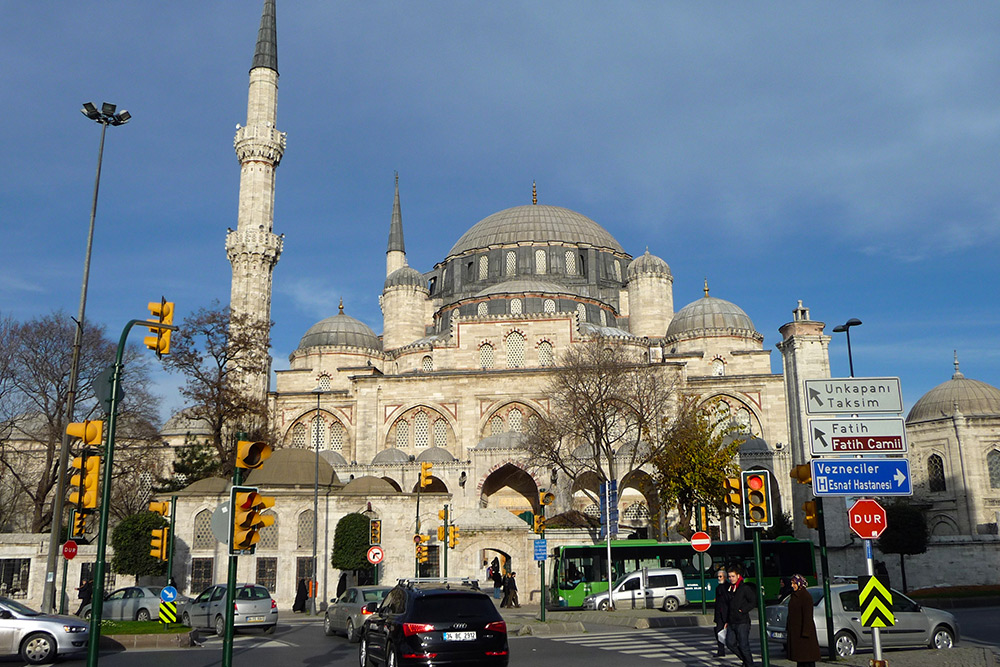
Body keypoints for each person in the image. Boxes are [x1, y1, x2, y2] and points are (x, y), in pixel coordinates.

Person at [786, 574, 821, 667]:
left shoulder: (806, 597)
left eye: (794, 583)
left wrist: (806, 632)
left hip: (804, 634)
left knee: (807, 658)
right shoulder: (794, 595)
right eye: (792, 583)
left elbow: (807, 616)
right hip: (797, 633)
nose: (792, 585)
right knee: (800, 659)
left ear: (799, 583)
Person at [724, 566, 756, 667]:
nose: (731, 578)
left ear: (738, 576)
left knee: (743, 645)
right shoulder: (730, 588)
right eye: (729, 576)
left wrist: (742, 610)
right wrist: (726, 621)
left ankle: (749, 664)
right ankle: (745, 660)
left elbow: (753, 601)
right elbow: (728, 606)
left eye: (733, 576)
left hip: (742, 622)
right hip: (731, 621)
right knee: (730, 643)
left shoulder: (744, 588)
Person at [712, 569, 731, 657]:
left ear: (725, 577)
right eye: (718, 576)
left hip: (727, 614)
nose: (719, 578)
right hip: (719, 614)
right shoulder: (718, 587)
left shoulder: (728, 587)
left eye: (720, 576)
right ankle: (721, 650)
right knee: (718, 631)